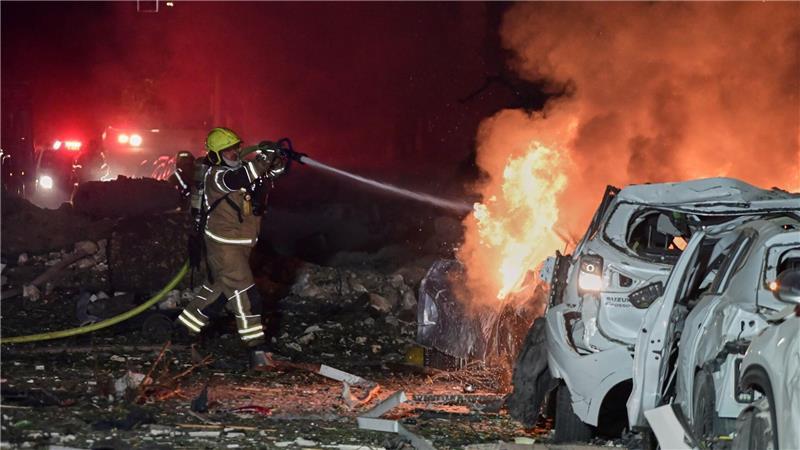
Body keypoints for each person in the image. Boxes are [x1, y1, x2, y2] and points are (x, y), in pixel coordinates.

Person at [177, 127, 288, 369]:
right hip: (223, 245)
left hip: (240, 244)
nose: (235, 152)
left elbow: (270, 175)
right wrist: (263, 158)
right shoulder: (217, 176)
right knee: (246, 295)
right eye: (228, 150)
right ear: (216, 155)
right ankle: (257, 349)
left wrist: (276, 160)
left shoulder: (239, 169)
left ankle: (184, 331)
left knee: (219, 292)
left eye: (236, 147)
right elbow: (242, 178)